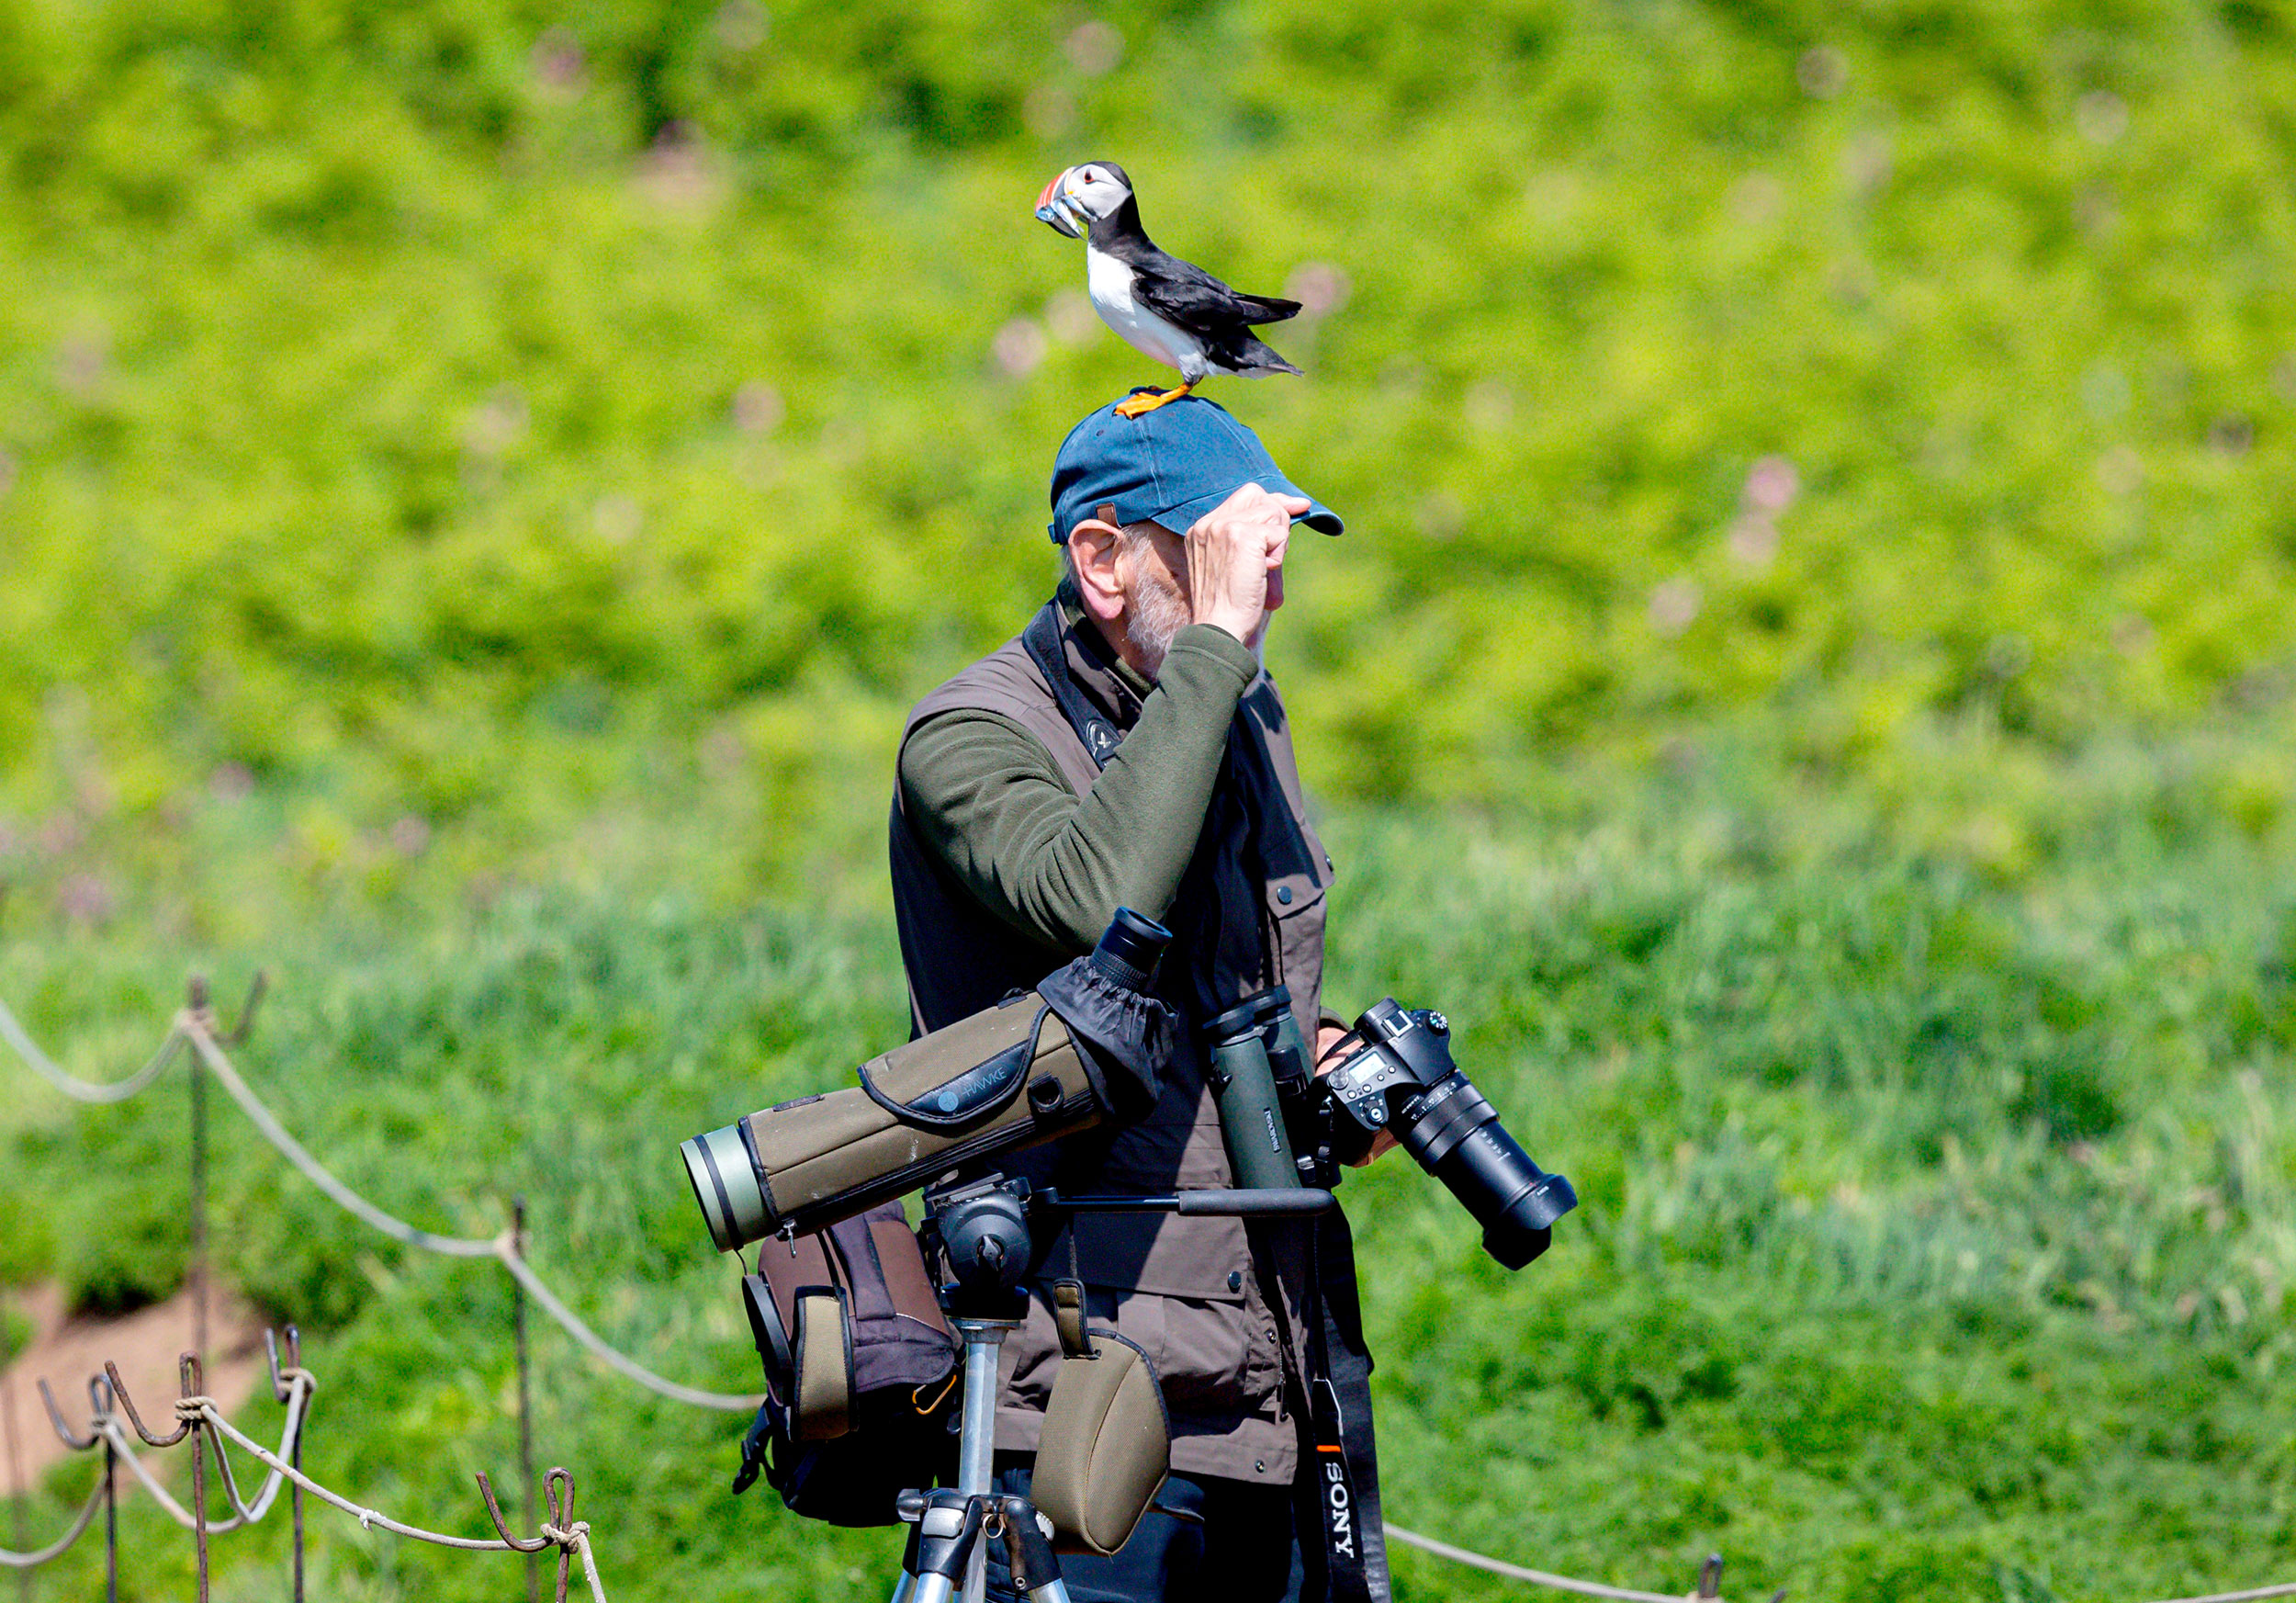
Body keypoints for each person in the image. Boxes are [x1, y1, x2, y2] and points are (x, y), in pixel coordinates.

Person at [888, 388, 1392, 1603]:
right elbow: (1094, 898)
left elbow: (1232, 991)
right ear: (1100, 561)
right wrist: (1211, 656)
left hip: (1269, 1380)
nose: (1256, 601)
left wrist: (1320, 1060)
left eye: (1263, 567)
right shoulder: (967, 735)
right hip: (1073, 1400)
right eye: (1217, 562)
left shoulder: (1238, 714)